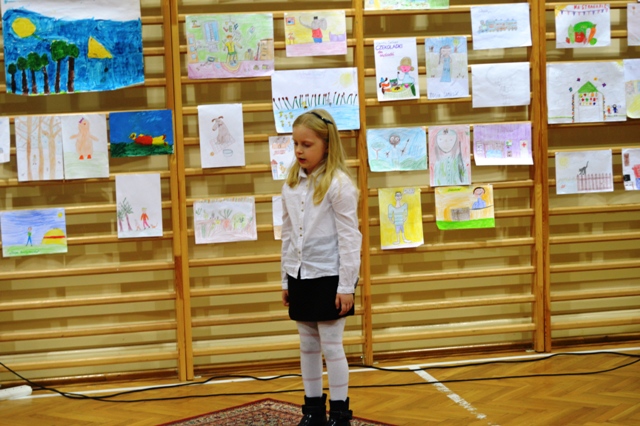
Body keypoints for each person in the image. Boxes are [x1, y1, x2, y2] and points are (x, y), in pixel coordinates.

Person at [281, 109, 361, 426]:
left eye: (307, 144)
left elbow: (350, 238)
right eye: (295, 144)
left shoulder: (339, 185)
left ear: (327, 145)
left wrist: (346, 286)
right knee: (308, 345)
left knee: (331, 345)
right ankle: (313, 411)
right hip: (300, 274)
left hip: (330, 275)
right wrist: (285, 279)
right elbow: (288, 235)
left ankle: (340, 413)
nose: (299, 150)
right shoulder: (290, 185)